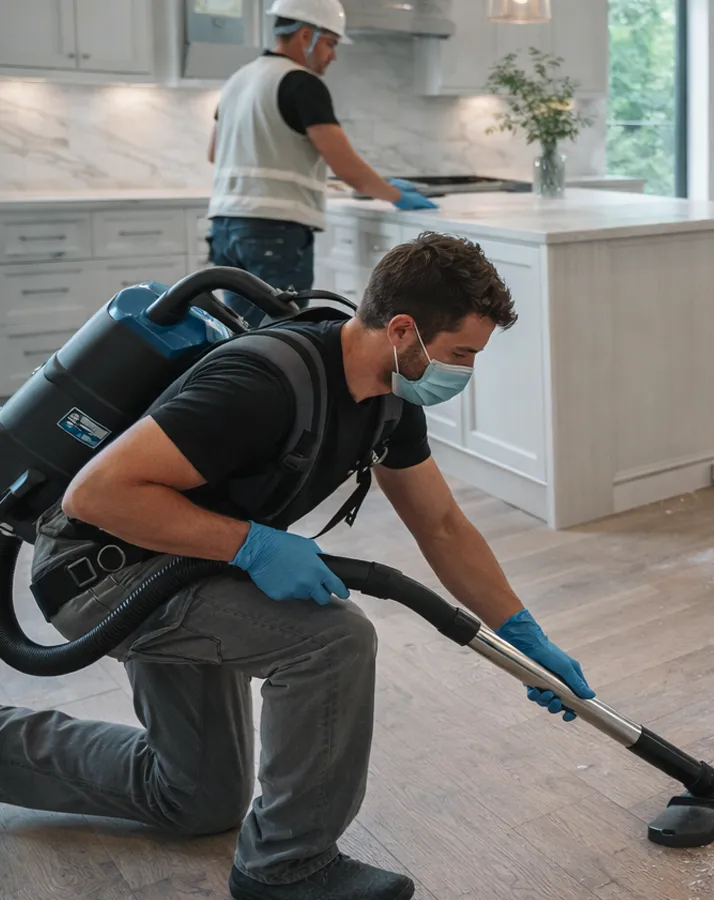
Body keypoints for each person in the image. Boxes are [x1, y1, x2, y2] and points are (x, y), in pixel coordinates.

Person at [0, 233, 592, 900]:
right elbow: (97, 495)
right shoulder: (263, 384)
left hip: (184, 557)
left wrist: (523, 632)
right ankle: (285, 868)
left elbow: (443, 526)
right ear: (403, 330)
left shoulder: (390, 399)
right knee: (331, 641)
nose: (466, 372)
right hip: (106, 570)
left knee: (196, 798)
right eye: (461, 354)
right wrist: (251, 545)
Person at [208, 0, 438, 326]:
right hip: (273, 231)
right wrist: (395, 195)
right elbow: (346, 167)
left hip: (225, 227)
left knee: (241, 330)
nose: (333, 55)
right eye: (330, 43)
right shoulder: (301, 83)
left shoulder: (237, 80)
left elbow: (214, 152)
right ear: (305, 36)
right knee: (278, 333)